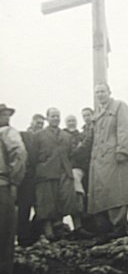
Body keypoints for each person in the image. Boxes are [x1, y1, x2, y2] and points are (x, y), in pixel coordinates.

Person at [88, 83, 128, 239]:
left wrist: (122, 149)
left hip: (114, 157)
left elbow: (126, 127)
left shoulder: (119, 106)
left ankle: (119, 226)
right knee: (103, 193)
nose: (100, 95)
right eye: (97, 93)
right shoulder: (98, 114)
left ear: (109, 92)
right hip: (99, 160)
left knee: (117, 191)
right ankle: (105, 229)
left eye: (102, 91)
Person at [33, 108, 81, 241]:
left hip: (64, 171)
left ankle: (77, 229)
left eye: (57, 116)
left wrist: (68, 166)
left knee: (69, 199)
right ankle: (49, 233)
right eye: (53, 116)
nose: (56, 118)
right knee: (47, 203)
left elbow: (71, 154)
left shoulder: (66, 136)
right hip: (46, 173)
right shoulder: (38, 135)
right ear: (47, 118)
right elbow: (34, 155)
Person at [0, 104, 27, 274]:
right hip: (3, 187)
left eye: (8, 114)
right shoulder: (7, 132)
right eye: (3, 114)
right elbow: (20, 154)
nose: (7, 117)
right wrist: (15, 181)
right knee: (5, 236)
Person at [17, 114, 45, 246]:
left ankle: (35, 233)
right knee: (25, 206)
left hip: (40, 176)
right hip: (27, 176)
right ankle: (23, 237)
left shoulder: (43, 137)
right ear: (31, 122)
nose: (39, 125)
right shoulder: (23, 135)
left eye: (41, 124)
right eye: (37, 123)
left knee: (41, 206)